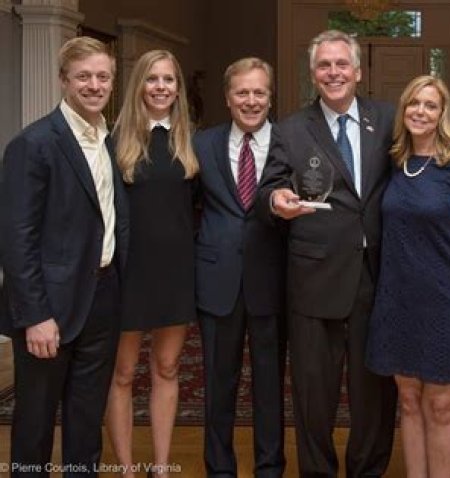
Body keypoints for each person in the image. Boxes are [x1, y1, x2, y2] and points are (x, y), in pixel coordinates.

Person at [256, 30, 398, 477]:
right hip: (314, 278)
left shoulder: (389, 119)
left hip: (376, 276)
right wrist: (276, 200)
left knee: (374, 393)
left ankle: (367, 470)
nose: (333, 72)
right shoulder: (291, 129)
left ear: (358, 71)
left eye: (341, 64)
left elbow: (426, 165)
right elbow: (269, 188)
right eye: (324, 65)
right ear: (312, 74)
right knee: (313, 394)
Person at [0, 36, 129, 475]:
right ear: (63, 80)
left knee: (86, 420)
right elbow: (16, 238)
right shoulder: (34, 143)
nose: (94, 85)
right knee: (35, 423)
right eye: (83, 76)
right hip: (49, 308)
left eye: (103, 76)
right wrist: (35, 314)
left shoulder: (107, 139)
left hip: (103, 296)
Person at [365, 75, 450, 477]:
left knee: (441, 406)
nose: (420, 111)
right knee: (408, 402)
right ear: (404, 110)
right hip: (398, 301)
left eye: (430, 105)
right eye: (414, 103)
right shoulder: (392, 163)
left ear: (442, 115)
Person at [105, 49, 198, 477]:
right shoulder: (113, 142)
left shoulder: (190, 142)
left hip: (175, 272)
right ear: (138, 85)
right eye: (152, 79)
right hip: (128, 273)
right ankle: (127, 469)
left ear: (178, 88)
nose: (161, 87)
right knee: (123, 373)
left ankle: (160, 467)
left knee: (167, 367)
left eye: (168, 79)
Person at [193, 57, 287, 478]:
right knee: (218, 384)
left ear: (271, 97)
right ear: (228, 97)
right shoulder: (202, 144)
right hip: (217, 281)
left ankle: (270, 468)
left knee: (270, 386)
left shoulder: (291, 142)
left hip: (272, 281)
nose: (251, 100)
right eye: (242, 92)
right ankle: (219, 468)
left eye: (259, 92)